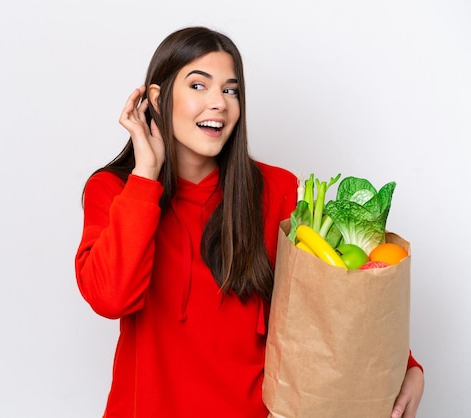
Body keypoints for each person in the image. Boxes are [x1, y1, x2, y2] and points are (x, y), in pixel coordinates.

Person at [75, 26, 424, 418]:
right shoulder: (116, 190)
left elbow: (328, 297)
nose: (219, 103)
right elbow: (110, 298)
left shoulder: (274, 190)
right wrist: (145, 176)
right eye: (198, 86)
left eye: (230, 90)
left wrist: (407, 366)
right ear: (157, 98)